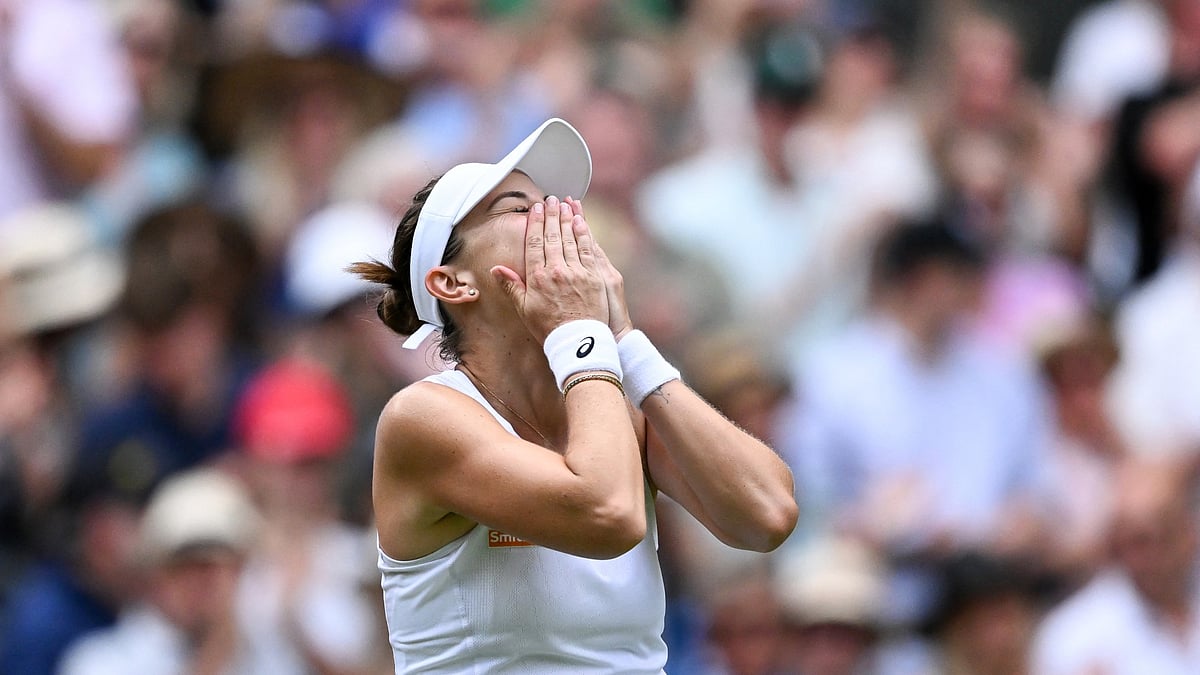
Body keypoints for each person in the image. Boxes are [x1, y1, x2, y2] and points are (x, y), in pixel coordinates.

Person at [349, 117, 798, 673]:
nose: (557, 219)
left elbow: (767, 515)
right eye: (519, 209)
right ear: (453, 283)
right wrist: (580, 332)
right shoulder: (424, 417)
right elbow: (608, 512)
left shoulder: (615, 404)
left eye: (556, 205)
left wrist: (626, 339)